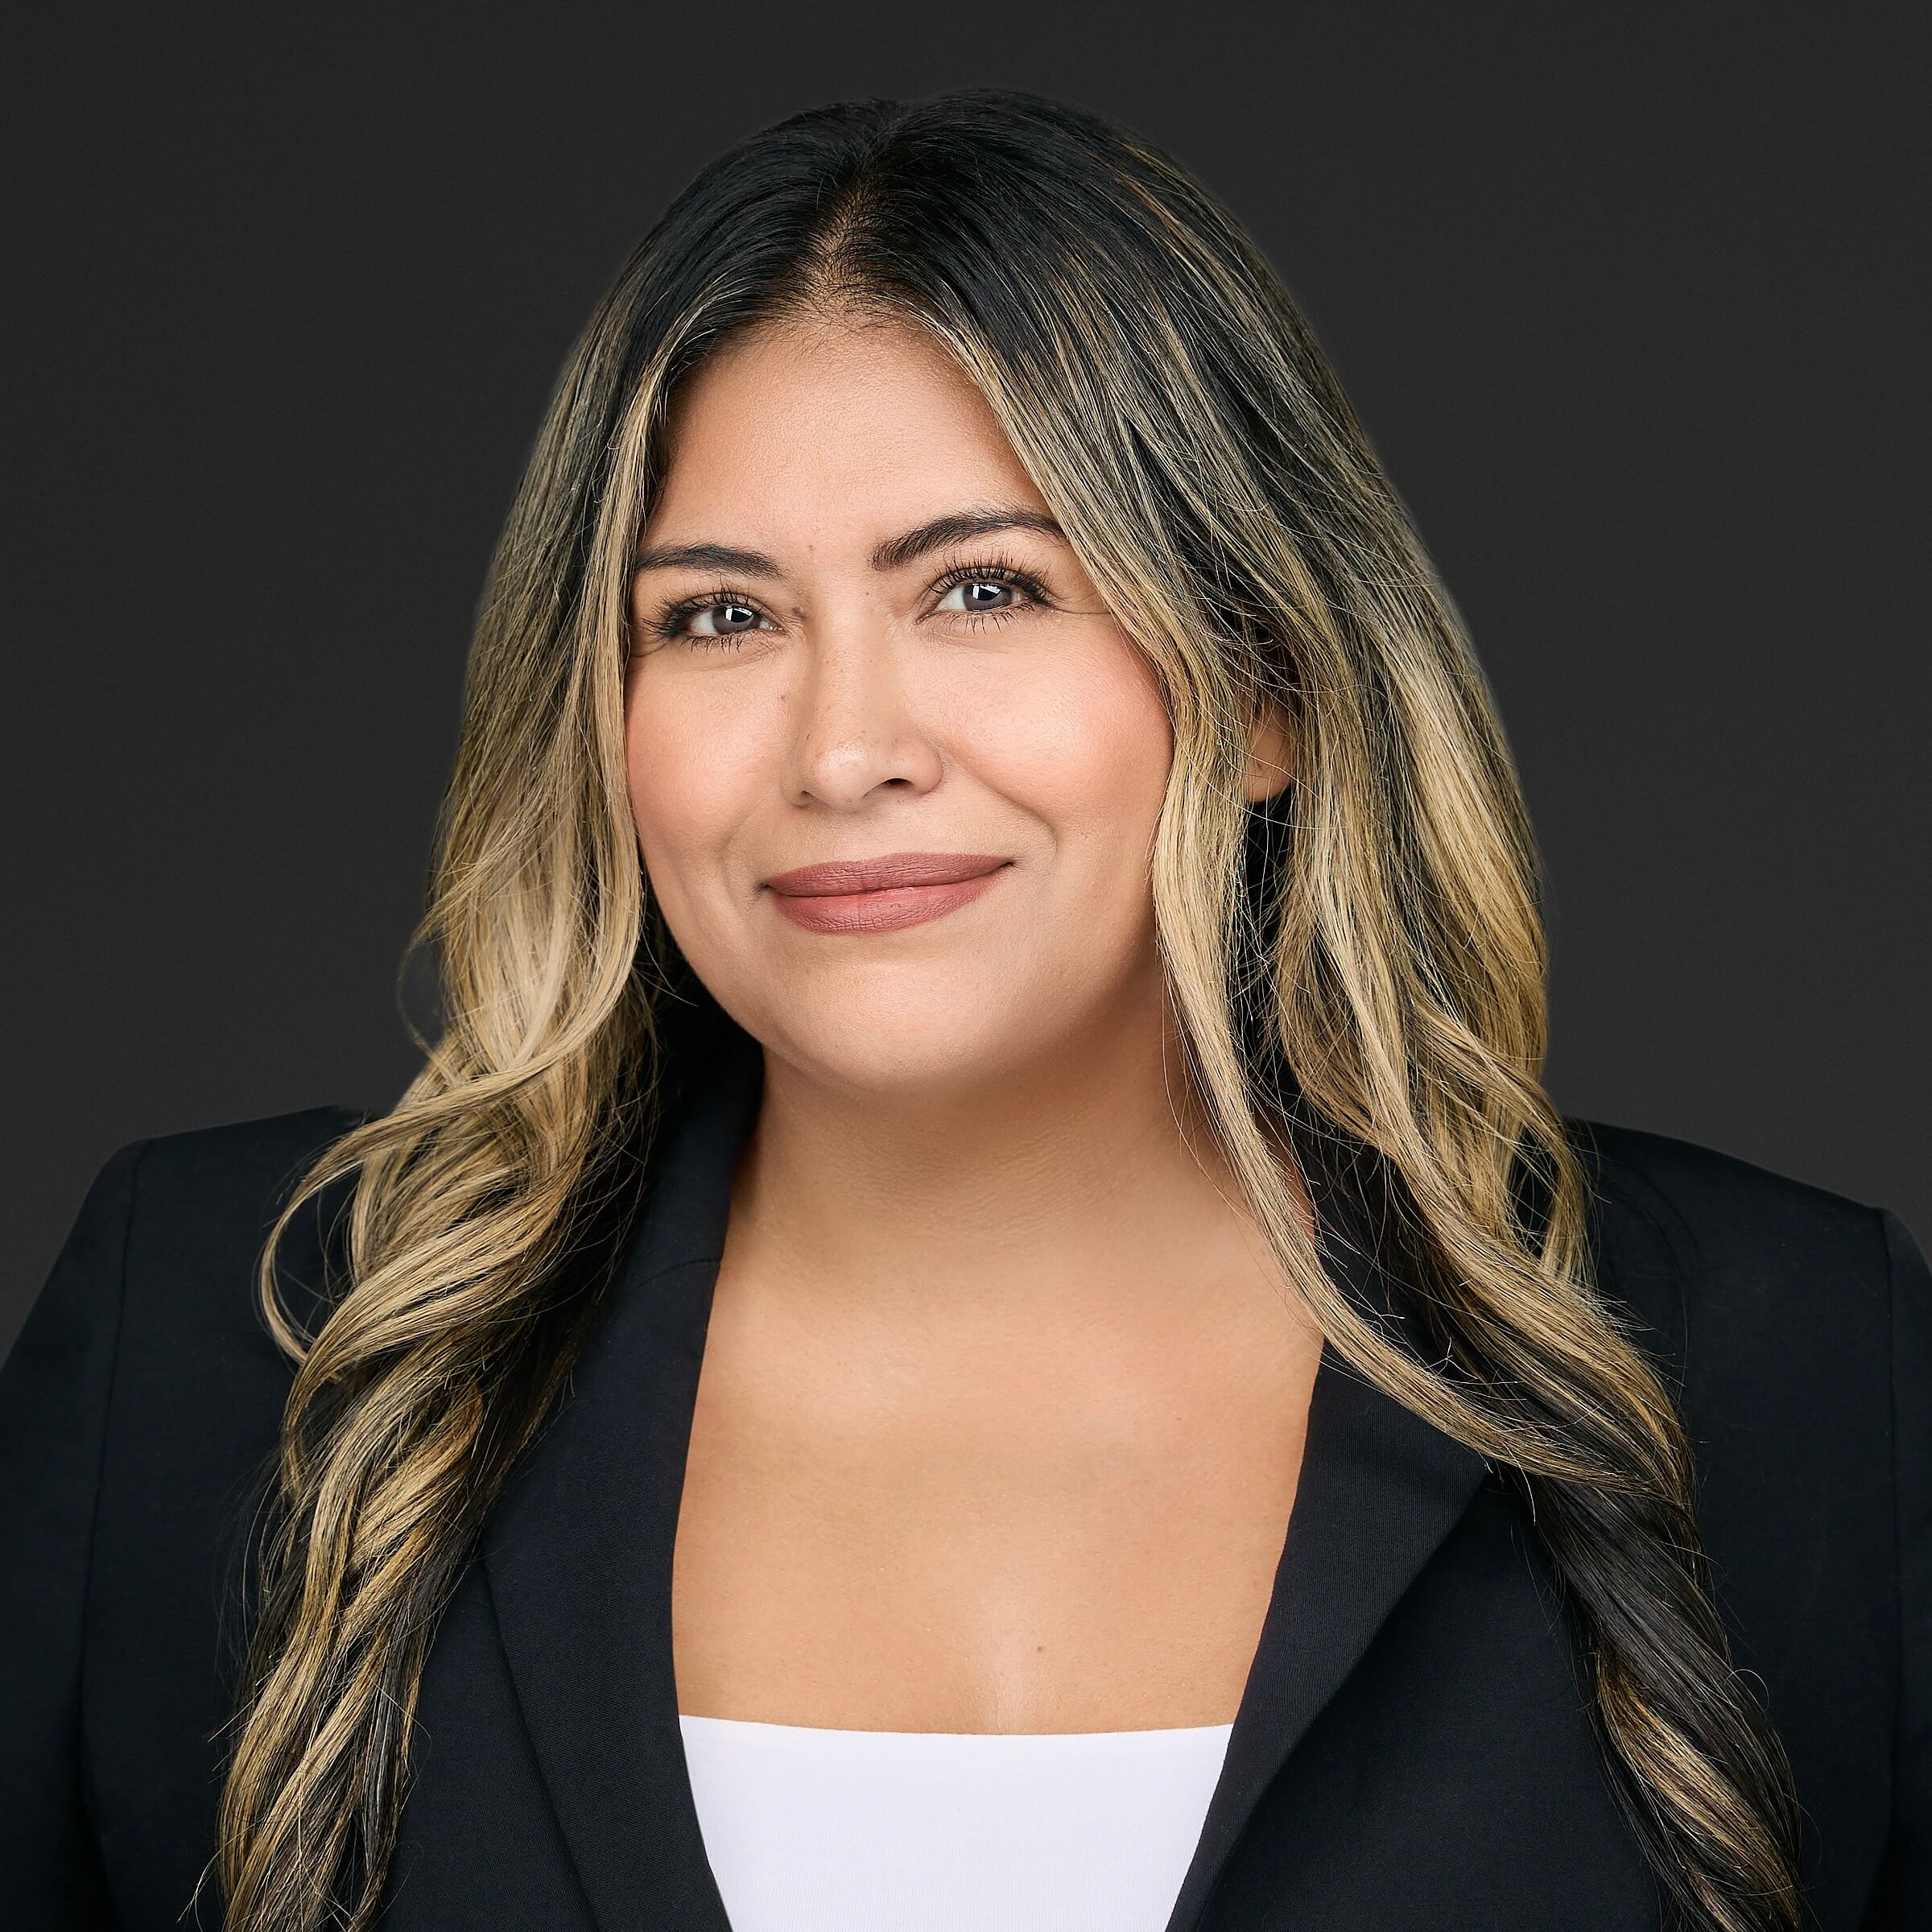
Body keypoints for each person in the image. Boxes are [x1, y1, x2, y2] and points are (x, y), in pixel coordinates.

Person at [0, 86, 1923, 1932]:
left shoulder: (1798, 1377)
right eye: (721, 618)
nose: (844, 751)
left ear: (1264, 685)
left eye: (987, 590)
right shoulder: (230, 1351)